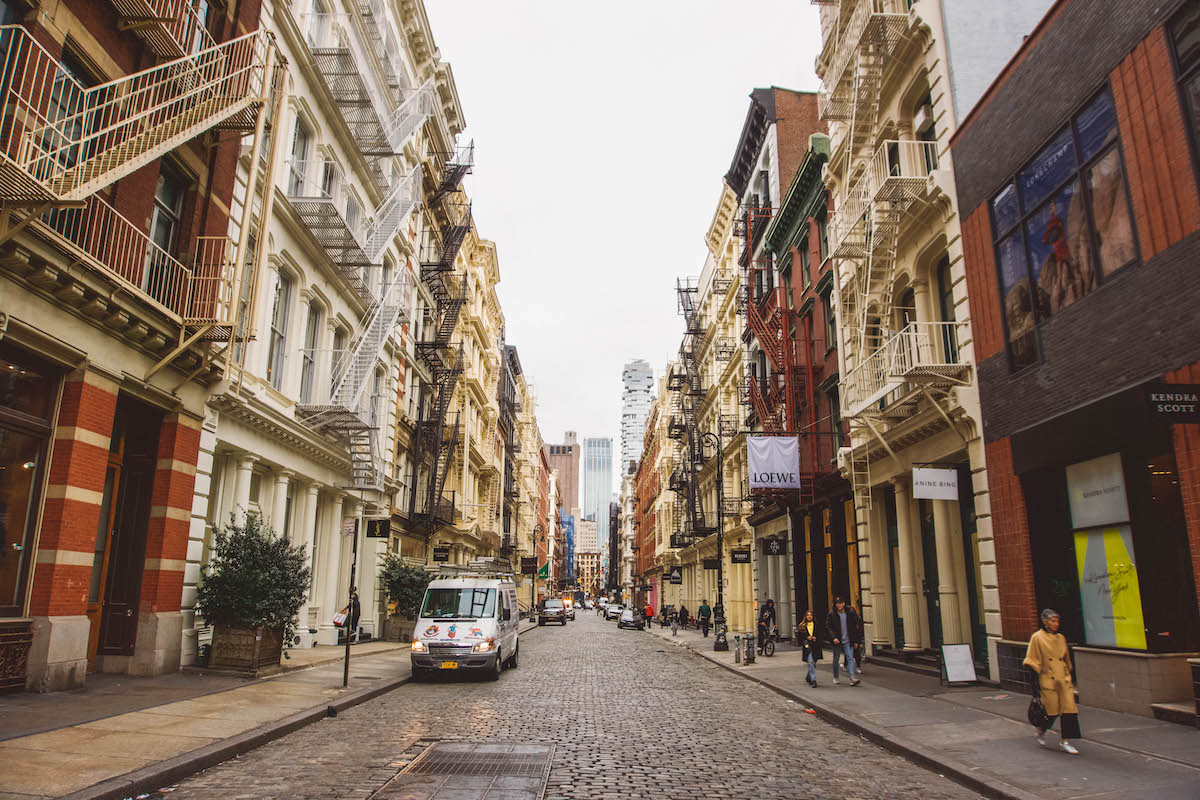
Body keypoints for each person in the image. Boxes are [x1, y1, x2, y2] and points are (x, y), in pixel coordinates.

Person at [1025, 608, 1081, 754]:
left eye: (1057, 621)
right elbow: (1031, 659)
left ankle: (1066, 741)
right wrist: (1035, 684)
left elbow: (1066, 658)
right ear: (1045, 622)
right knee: (1051, 711)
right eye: (1052, 621)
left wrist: (1069, 673)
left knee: (1069, 710)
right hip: (1048, 680)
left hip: (1063, 680)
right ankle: (1041, 730)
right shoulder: (1037, 637)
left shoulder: (1061, 638)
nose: (1056, 624)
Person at [824, 596, 861, 685]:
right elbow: (828, 627)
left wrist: (856, 641)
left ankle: (852, 678)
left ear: (844, 604)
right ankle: (836, 677)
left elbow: (855, 627)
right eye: (837, 603)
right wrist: (833, 638)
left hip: (848, 640)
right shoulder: (832, 614)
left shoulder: (850, 614)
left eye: (840, 603)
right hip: (838, 641)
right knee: (836, 659)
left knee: (850, 658)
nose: (839, 605)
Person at [800, 609, 822, 687]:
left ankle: (808, 676)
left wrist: (816, 638)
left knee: (813, 662)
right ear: (805, 617)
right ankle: (813, 680)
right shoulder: (802, 626)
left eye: (810, 615)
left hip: (815, 646)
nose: (809, 617)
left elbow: (820, 634)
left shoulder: (816, 624)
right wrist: (807, 637)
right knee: (810, 662)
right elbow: (800, 637)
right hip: (807, 647)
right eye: (808, 615)